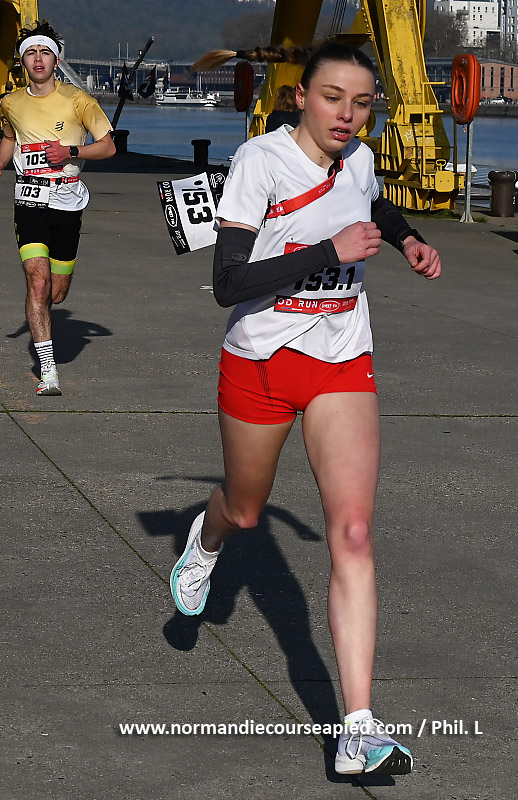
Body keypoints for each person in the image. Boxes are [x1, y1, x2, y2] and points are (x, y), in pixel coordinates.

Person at [171, 42, 441, 775]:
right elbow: (229, 282)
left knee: (352, 532)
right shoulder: (259, 162)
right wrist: (329, 250)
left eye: (362, 103)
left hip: (342, 359)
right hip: (260, 361)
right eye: (332, 98)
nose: (347, 115)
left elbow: (370, 201)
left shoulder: (360, 157)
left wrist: (409, 239)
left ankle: (358, 729)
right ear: (300, 96)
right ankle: (207, 540)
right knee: (245, 510)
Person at [0, 21, 115, 396]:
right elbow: (10, 137)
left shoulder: (78, 100)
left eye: (45, 52)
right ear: (22, 61)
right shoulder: (10, 102)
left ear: (56, 61)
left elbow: (108, 147)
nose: (38, 58)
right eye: (30, 52)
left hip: (67, 201)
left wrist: (70, 151)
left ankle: (46, 309)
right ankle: (48, 370)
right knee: (37, 282)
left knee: (56, 292)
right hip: (28, 200)